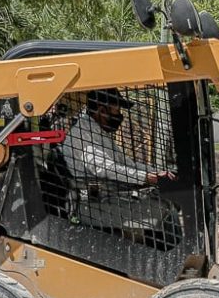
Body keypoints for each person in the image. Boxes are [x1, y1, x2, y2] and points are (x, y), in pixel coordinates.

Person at [65, 89, 178, 242]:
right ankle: (144, 255)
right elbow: (102, 168)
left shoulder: (98, 132)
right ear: (102, 110)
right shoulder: (83, 133)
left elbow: (126, 163)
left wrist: (157, 172)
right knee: (159, 207)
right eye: (117, 110)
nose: (120, 116)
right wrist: (145, 177)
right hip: (92, 201)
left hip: (107, 195)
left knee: (167, 202)